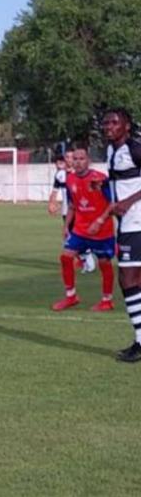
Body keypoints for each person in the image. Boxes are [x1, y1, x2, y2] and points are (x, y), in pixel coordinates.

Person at [50, 146, 114, 312]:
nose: (77, 162)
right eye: (75, 159)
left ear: (88, 161)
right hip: (80, 229)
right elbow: (72, 205)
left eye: (81, 159)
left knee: (104, 264)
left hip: (101, 231)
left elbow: (113, 203)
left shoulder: (100, 179)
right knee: (65, 257)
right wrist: (66, 227)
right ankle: (71, 296)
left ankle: (107, 300)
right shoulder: (69, 179)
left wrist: (99, 221)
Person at [104, 109, 141, 362]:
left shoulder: (135, 148)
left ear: (126, 126)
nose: (109, 126)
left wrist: (127, 201)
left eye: (115, 122)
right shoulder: (110, 150)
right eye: (106, 123)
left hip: (136, 221)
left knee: (127, 280)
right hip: (127, 222)